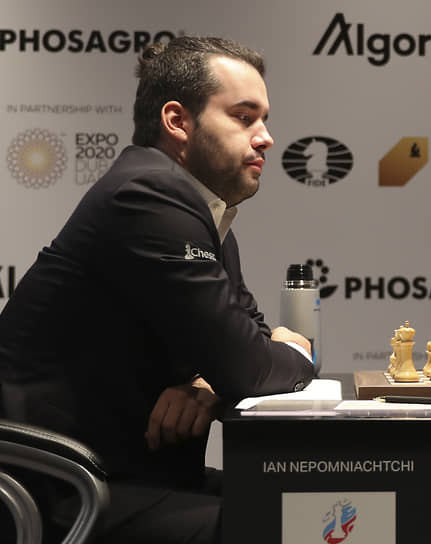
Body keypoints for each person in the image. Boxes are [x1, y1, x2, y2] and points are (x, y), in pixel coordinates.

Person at [0, 37, 315, 543]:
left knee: (307, 501)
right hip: (62, 490)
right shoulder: (149, 195)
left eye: (264, 119)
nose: (266, 138)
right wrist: (296, 349)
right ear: (177, 121)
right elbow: (253, 367)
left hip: (130, 474)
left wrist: (209, 384)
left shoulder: (203, 213)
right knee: (292, 524)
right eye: (243, 117)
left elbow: (243, 348)